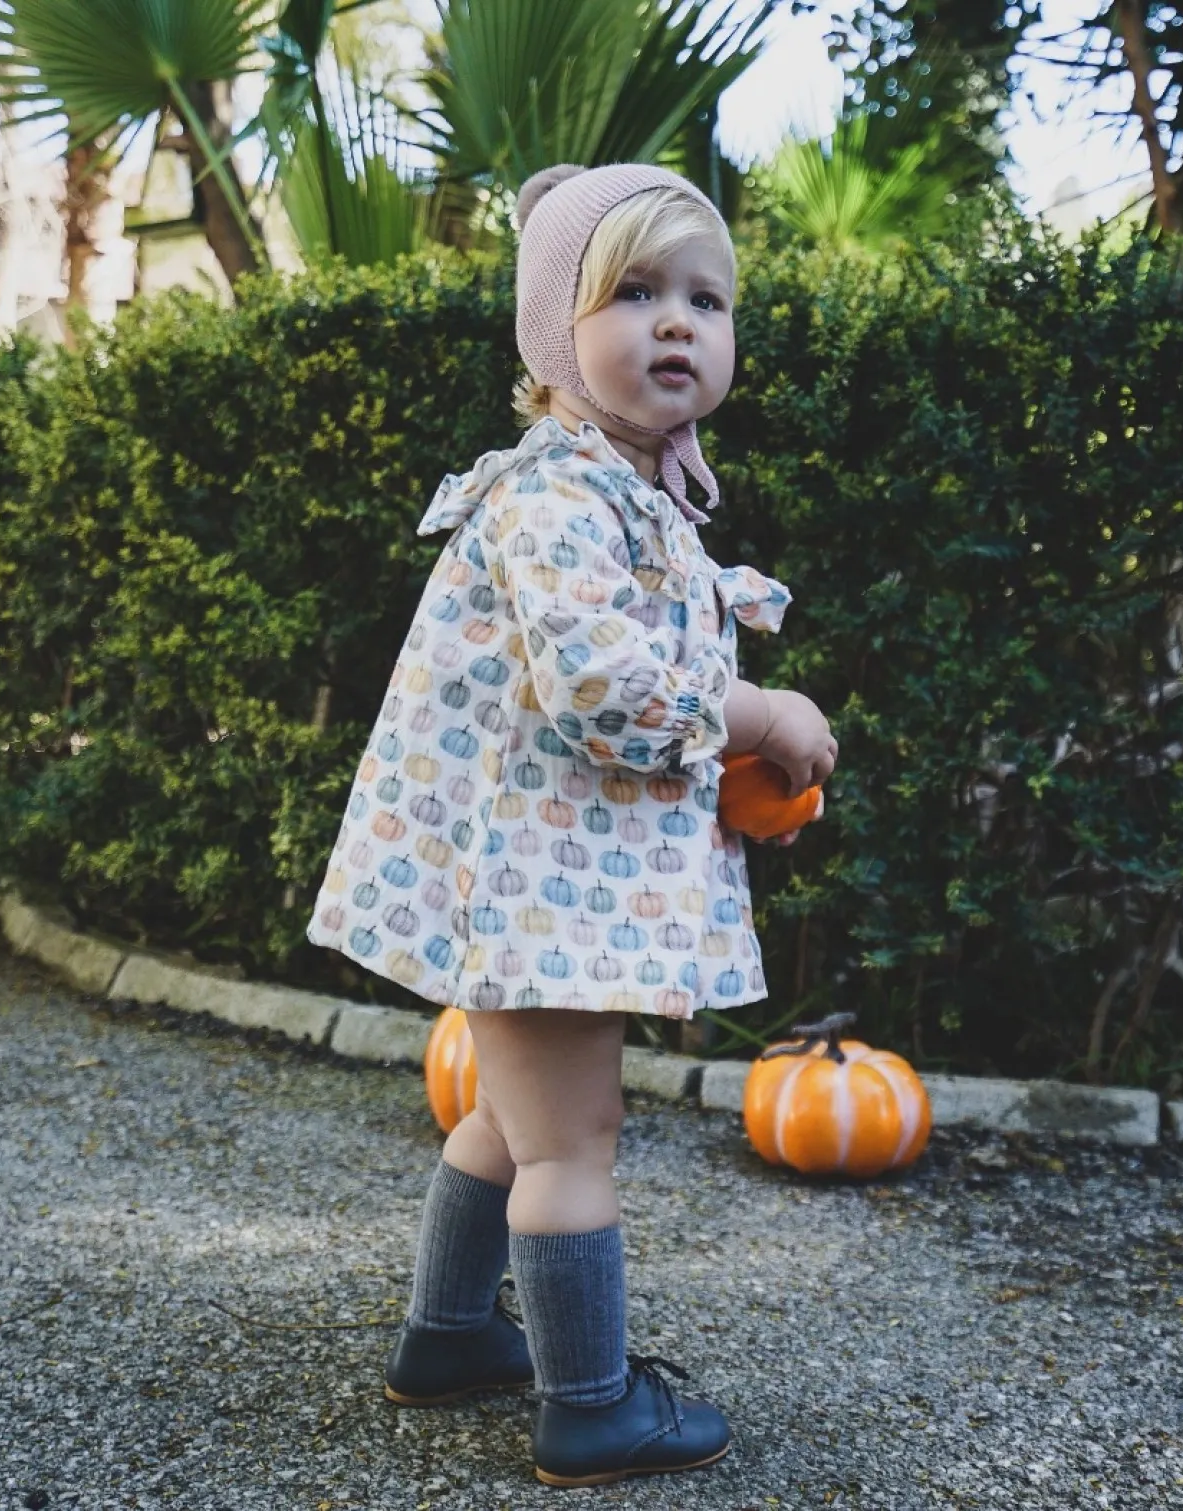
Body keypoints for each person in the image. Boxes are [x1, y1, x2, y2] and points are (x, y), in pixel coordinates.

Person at [307, 162, 837, 1488]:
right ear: (558, 333)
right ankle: (590, 1404)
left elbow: (627, 690)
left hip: (538, 876)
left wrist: (725, 776)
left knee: (506, 1112)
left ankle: (445, 1333)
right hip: (534, 883)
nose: (678, 323)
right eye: (637, 293)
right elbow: (604, 691)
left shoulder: (621, 490)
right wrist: (758, 712)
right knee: (570, 1140)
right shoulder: (554, 498)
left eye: (705, 300)